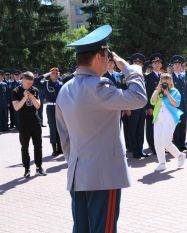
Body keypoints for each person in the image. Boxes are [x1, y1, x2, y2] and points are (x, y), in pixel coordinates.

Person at [55, 25, 147, 233]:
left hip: (78, 175)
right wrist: (130, 69)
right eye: (107, 55)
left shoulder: (65, 89)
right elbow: (139, 99)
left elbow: (65, 138)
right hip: (103, 176)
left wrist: (76, 163)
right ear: (98, 57)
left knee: (82, 229)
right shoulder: (98, 86)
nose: (110, 60)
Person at [12, 71, 46, 178]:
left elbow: (38, 106)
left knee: (38, 146)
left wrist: (31, 96)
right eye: (27, 83)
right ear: (22, 80)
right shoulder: (16, 91)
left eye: (31, 83)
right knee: (25, 147)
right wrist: (24, 98)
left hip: (35, 122)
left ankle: (39, 167)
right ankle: (27, 169)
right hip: (23, 123)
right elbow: (16, 107)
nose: (29, 85)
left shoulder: (34, 90)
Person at [150, 73, 186, 171]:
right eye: (163, 80)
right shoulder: (157, 90)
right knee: (157, 141)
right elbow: (152, 102)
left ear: (171, 81)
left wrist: (167, 93)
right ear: (160, 81)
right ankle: (162, 163)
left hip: (170, 117)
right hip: (158, 117)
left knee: (166, 141)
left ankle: (180, 156)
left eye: (167, 79)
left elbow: (176, 104)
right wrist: (158, 90)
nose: (165, 81)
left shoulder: (175, 91)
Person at [36, 67, 63, 156]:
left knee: (60, 127)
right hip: (51, 108)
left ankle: (60, 148)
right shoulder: (46, 84)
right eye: (53, 73)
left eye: (56, 73)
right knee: (52, 127)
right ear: (50, 75)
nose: (55, 74)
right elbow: (36, 81)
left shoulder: (60, 83)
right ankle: (54, 149)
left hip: (59, 107)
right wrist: (46, 74)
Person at [127, 53, 149, 158]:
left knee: (140, 129)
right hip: (132, 107)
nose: (138, 64)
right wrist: (127, 107)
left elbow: (147, 93)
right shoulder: (127, 75)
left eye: (140, 63)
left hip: (142, 107)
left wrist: (147, 107)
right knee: (133, 129)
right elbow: (124, 92)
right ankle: (134, 150)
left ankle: (140, 150)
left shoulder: (144, 76)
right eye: (135, 62)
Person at [171, 55, 187, 152]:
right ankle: (176, 145)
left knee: (183, 124)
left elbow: (186, 92)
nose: (178, 66)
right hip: (174, 105)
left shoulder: (184, 76)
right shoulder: (170, 77)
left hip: (183, 105)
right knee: (176, 125)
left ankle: (182, 144)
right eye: (176, 64)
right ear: (173, 66)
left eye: (179, 64)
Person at [145, 53, 163, 155]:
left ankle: (160, 146)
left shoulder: (163, 76)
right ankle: (153, 147)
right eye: (155, 62)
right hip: (153, 107)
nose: (157, 64)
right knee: (151, 128)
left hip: (162, 107)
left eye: (159, 62)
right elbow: (147, 93)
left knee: (160, 127)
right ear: (152, 64)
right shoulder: (148, 77)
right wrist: (149, 107)